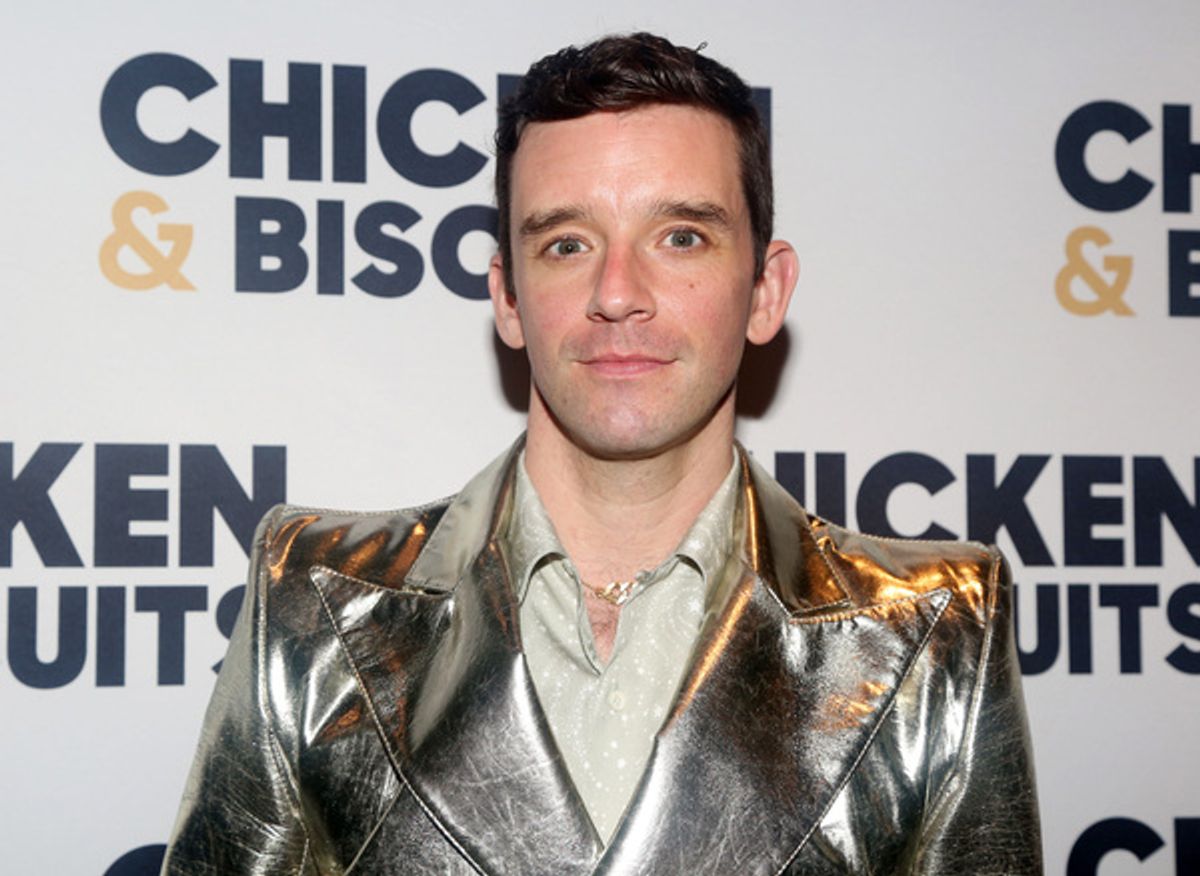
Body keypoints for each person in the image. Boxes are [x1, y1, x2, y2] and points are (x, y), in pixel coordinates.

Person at [161, 32, 1042, 875]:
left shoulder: (937, 632)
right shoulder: (312, 601)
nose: (618, 294)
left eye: (681, 236)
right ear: (508, 297)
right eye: (567, 244)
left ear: (765, 291)